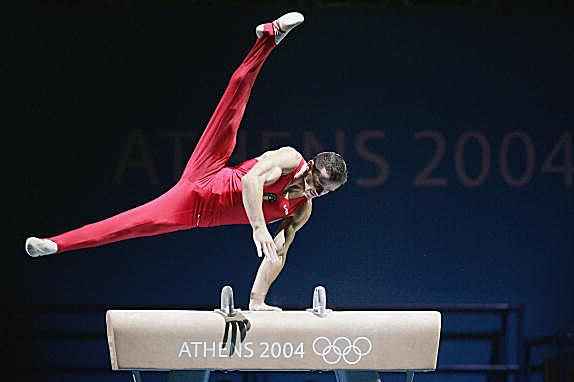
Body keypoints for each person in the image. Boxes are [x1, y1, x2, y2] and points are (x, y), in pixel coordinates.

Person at [24, 12, 348, 311]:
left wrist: (257, 301)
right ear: (310, 164)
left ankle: (54, 244)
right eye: (316, 181)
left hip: (193, 211)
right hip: (207, 173)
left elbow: (277, 254)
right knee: (234, 99)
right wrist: (259, 227)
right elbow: (251, 181)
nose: (315, 189)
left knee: (126, 226)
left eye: (324, 190)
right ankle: (268, 37)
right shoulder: (290, 160)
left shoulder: (301, 210)